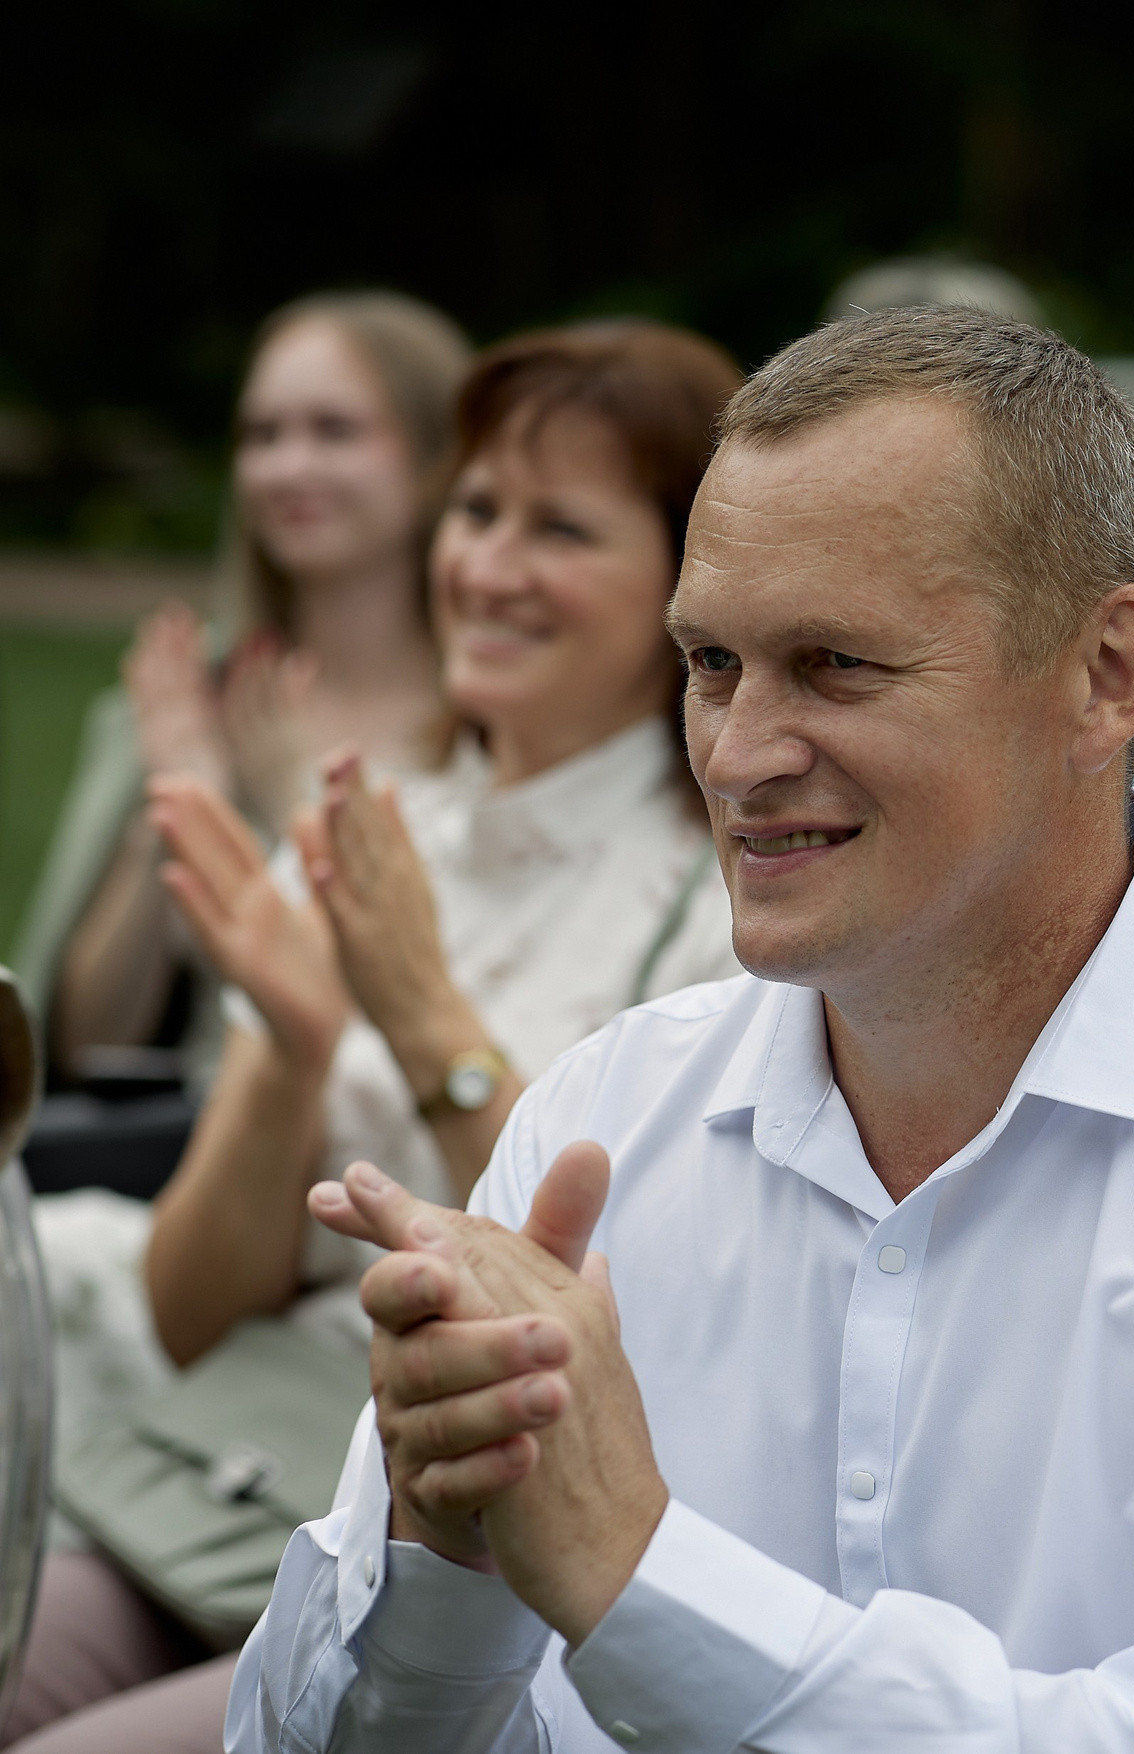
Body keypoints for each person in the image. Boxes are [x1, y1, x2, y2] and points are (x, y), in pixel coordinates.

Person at [219, 304, 1134, 1753]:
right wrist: (447, 1567)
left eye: (836, 665)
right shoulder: (602, 1117)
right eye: (711, 664)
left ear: (1109, 675)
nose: (738, 756)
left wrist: (638, 1572)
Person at [8, 321, 745, 1753]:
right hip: (219, 1478)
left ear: (683, 580)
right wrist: (285, 1049)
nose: (491, 566)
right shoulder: (371, 820)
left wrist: (418, 1017)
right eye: (476, 511)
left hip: (484, 1550)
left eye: (562, 529)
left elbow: (625, 1295)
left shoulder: (719, 883)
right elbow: (185, 1301)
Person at [13, 292, 468, 1081]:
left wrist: (293, 810)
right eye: (262, 435)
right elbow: (85, 1043)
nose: (288, 467)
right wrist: (181, 802)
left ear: (437, 459)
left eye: (335, 430)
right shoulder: (175, 706)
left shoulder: (499, 718)